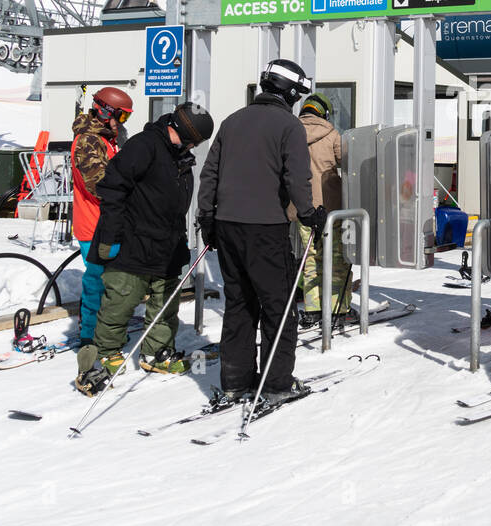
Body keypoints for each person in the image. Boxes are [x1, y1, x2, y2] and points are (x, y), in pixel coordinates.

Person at [197, 59, 325, 406]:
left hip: (226, 227)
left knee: (239, 304)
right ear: (289, 92)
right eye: (297, 93)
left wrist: (206, 217)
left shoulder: (232, 121)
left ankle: (236, 381)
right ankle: (275, 382)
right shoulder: (288, 125)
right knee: (277, 307)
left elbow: (210, 173)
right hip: (266, 227)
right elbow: (297, 178)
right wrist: (311, 213)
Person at [78, 101, 214, 393]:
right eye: (191, 140)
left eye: (195, 143)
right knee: (121, 300)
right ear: (177, 129)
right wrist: (111, 237)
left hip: (166, 241)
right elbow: (112, 188)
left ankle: (156, 352)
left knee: (165, 301)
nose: (192, 146)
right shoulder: (144, 146)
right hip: (132, 240)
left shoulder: (178, 153)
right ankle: (107, 352)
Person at [69, 86, 132, 389]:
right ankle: (91, 337)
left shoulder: (107, 139)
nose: (122, 121)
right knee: (98, 280)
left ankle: (103, 333)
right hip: (94, 224)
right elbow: (100, 184)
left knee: (109, 280)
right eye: (121, 114)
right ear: (106, 112)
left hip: (107, 223)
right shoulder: (89, 142)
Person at [290, 92, 349, 329]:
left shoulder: (290, 133)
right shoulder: (332, 134)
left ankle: (313, 308)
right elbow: (346, 162)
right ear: (323, 111)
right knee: (336, 259)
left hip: (301, 209)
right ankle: (336, 311)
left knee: (310, 258)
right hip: (330, 209)